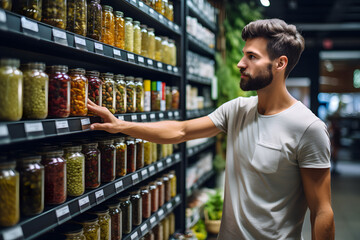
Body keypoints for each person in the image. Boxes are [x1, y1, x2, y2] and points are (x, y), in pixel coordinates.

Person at [88, 18, 335, 240]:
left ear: (280, 63)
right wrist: (121, 125)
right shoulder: (237, 110)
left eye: (252, 57)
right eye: (243, 55)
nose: (240, 63)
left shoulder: (307, 128)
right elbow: (181, 131)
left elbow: (322, 210)